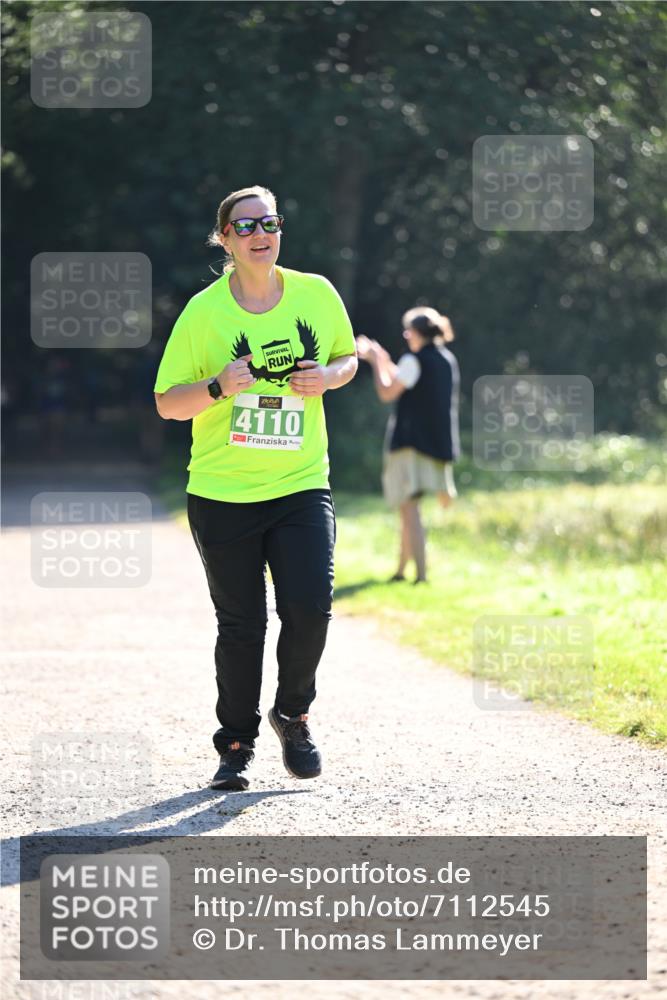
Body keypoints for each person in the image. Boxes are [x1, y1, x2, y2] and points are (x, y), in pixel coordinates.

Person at [153, 185, 358, 791]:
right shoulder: (203, 312)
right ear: (225, 239)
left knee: (310, 609)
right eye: (245, 226)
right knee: (241, 626)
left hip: (299, 484)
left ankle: (292, 715)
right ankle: (235, 745)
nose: (260, 233)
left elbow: (346, 359)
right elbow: (167, 403)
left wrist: (329, 376)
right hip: (222, 492)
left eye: (269, 221)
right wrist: (218, 386)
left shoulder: (316, 293)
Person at [356, 307, 460, 584]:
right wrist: (382, 358)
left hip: (410, 445)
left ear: (417, 333)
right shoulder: (445, 359)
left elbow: (387, 391)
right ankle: (402, 571)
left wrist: (377, 362)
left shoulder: (414, 360)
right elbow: (403, 378)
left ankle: (421, 576)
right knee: (408, 508)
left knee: (409, 509)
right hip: (435, 444)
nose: (405, 334)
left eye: (408, 330)